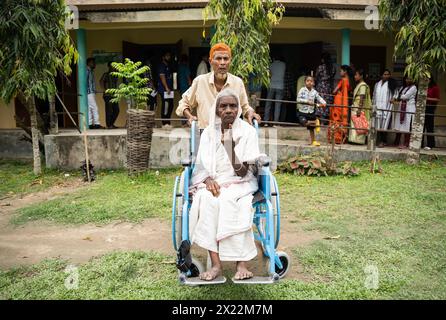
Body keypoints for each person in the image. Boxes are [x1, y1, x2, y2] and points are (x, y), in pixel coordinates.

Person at [189, 88, 263, 281]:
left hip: (241, 182)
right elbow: (201, 166)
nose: (229, 110)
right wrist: (207, 180)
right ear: (217, 110)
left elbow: (243, 172)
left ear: (239, 109)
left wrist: (229, 146)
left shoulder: (247, 132)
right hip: (215, 182)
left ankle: (241, 264)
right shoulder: (208, 134)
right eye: (224, 106)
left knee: (233, 202)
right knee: (206, 200)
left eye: (233, 106)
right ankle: (216, 264)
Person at [176, 43, 261, 129]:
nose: (222, 63)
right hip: (206, 133)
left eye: (226, 59)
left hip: (230, 132)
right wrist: (190, 117)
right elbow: (183, 103)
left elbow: (245, 107)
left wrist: (251, 113)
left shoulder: (237, 83)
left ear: (230, 61)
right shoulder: (200, 82)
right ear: (210, 61)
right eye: (218, 59)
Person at [296, 75, 327, 146]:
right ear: (305, 82)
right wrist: (307, 101)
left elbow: (319, 98)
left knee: (311, 128)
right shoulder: (302, 90)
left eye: (311, 81)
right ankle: (315, 122)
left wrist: (324, 103)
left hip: (311, 112)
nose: (309, 82)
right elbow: (298, 99)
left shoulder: (314, 92)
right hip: (302, 112)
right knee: (304, 122)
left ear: (313, 83)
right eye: (308, 81)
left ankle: (313, 141)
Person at [372, 69, 398, 146]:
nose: (386, 76)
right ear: (381, 75)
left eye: (388, 74)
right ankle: (378, 141)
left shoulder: (391, 83)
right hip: (377, 106)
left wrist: (394, 98)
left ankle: (383, 141)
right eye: (385, 74)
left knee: (385, 124)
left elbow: (396, 93)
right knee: (378, 124)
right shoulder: (377, 84)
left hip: (387, 107)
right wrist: (373, 104)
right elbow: (374, 95)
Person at [329, 65, 353, 144]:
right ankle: (343, 138)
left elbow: (334, 91)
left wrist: (337, 92)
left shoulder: (343, 80)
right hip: (345, 102)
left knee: (336, 120)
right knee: (343, 120)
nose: (340, 72)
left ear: (345, 71)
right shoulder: (349, 80)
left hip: (339, 102)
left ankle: (337, 138)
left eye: (341, 71)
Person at [392, 78, 417, 149]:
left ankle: (406, 143)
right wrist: (398, 96)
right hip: (402, 108)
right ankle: (396, 142)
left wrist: (399, 97)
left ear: (413, 80)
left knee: (407, 126)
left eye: (410, 79)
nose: (407, 80)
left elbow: (405, 96)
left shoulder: (413, 87)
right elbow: (398, 94)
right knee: (399, 125)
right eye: (407, 79)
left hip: (409, 108)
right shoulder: (404, 88)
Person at [348, 69, 372, 145]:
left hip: (359, 107)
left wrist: (359, 109)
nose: (355, 76)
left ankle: (359, 141)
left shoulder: (363, 85)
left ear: (361, 76)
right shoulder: (359, 84)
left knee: (359, 124)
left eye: (356, 75)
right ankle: (354, 140)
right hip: (355, 106)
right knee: (355, 123)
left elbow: (362, 97)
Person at [264, 56, 286, 125]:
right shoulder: (283, 64)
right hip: (280, 86)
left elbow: (269, 75)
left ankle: (266, 122)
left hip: (271, 85)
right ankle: (276, 123)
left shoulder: (271, 65)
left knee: (268, 104)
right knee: (278, 105)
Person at [315, 52, 336, 119]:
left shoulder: (320, 67)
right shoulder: (333, 68)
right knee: (327, 102)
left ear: (323, 59)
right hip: (329, 87)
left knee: (320, 101)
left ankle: (321, 120)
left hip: (321, 87)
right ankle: (326, 120)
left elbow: (316, 76)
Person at [100, 62, 120, 129]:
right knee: (109, 110)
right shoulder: (106, 74)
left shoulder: (115, 75)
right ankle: (109, 125)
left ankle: (111, 124)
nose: (113, 67)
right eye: (112, 66)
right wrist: (104, 90)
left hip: (114, 95)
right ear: (109, 66)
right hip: (107, 95)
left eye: (114, 66)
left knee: (116, 110)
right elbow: (101, 81)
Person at [423, 77, 440, 150]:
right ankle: (419, 144)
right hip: (422, 107)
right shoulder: (423, 87)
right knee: (421, 126)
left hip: (430, 107)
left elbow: (437, 99)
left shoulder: (435, 87)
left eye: (427, 79)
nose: (426, 81)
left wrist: (426, 98)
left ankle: (430, 144)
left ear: (430, 79)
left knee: (429, 126)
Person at [86, 58, 104, 129]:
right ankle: (96, 124)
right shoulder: (87, 71)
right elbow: (85, 82)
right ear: (89, 63)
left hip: (90, 92)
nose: (94, 64)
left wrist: (94, 90)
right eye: (93, 63)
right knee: (94, 107)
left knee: (89, 108)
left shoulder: (90, 71)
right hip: (88, 92)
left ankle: (90, 124)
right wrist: (90, 90)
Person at [158, 51, 174, 128]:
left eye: (169, 56)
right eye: (167, 56)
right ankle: (164, 123)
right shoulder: (162, 66)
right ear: (163, 57)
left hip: (169, 90)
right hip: (164, 90)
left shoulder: (168, 65)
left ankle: (168, 121)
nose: (169, 57)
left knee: (171, 105)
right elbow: (162, 77)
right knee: (166, 106)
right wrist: (166, 87)